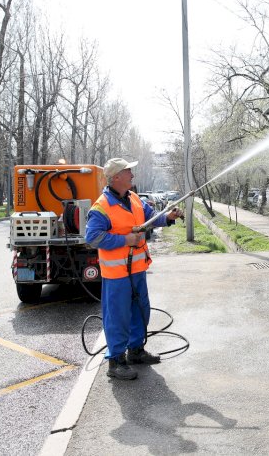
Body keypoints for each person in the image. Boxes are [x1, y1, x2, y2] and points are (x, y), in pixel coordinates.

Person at [86, 157, 183, 380]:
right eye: (128, 171)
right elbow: (92, 237)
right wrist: (125, 240)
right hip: (117, 275)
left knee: (141, 310)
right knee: (118, 317)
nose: (132, 175)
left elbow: (150, 218)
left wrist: (167, 217)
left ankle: (136, 351)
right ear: (117, 177)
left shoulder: (134, 198)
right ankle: (116, 361)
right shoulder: (102, 206)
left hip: (137, 270)